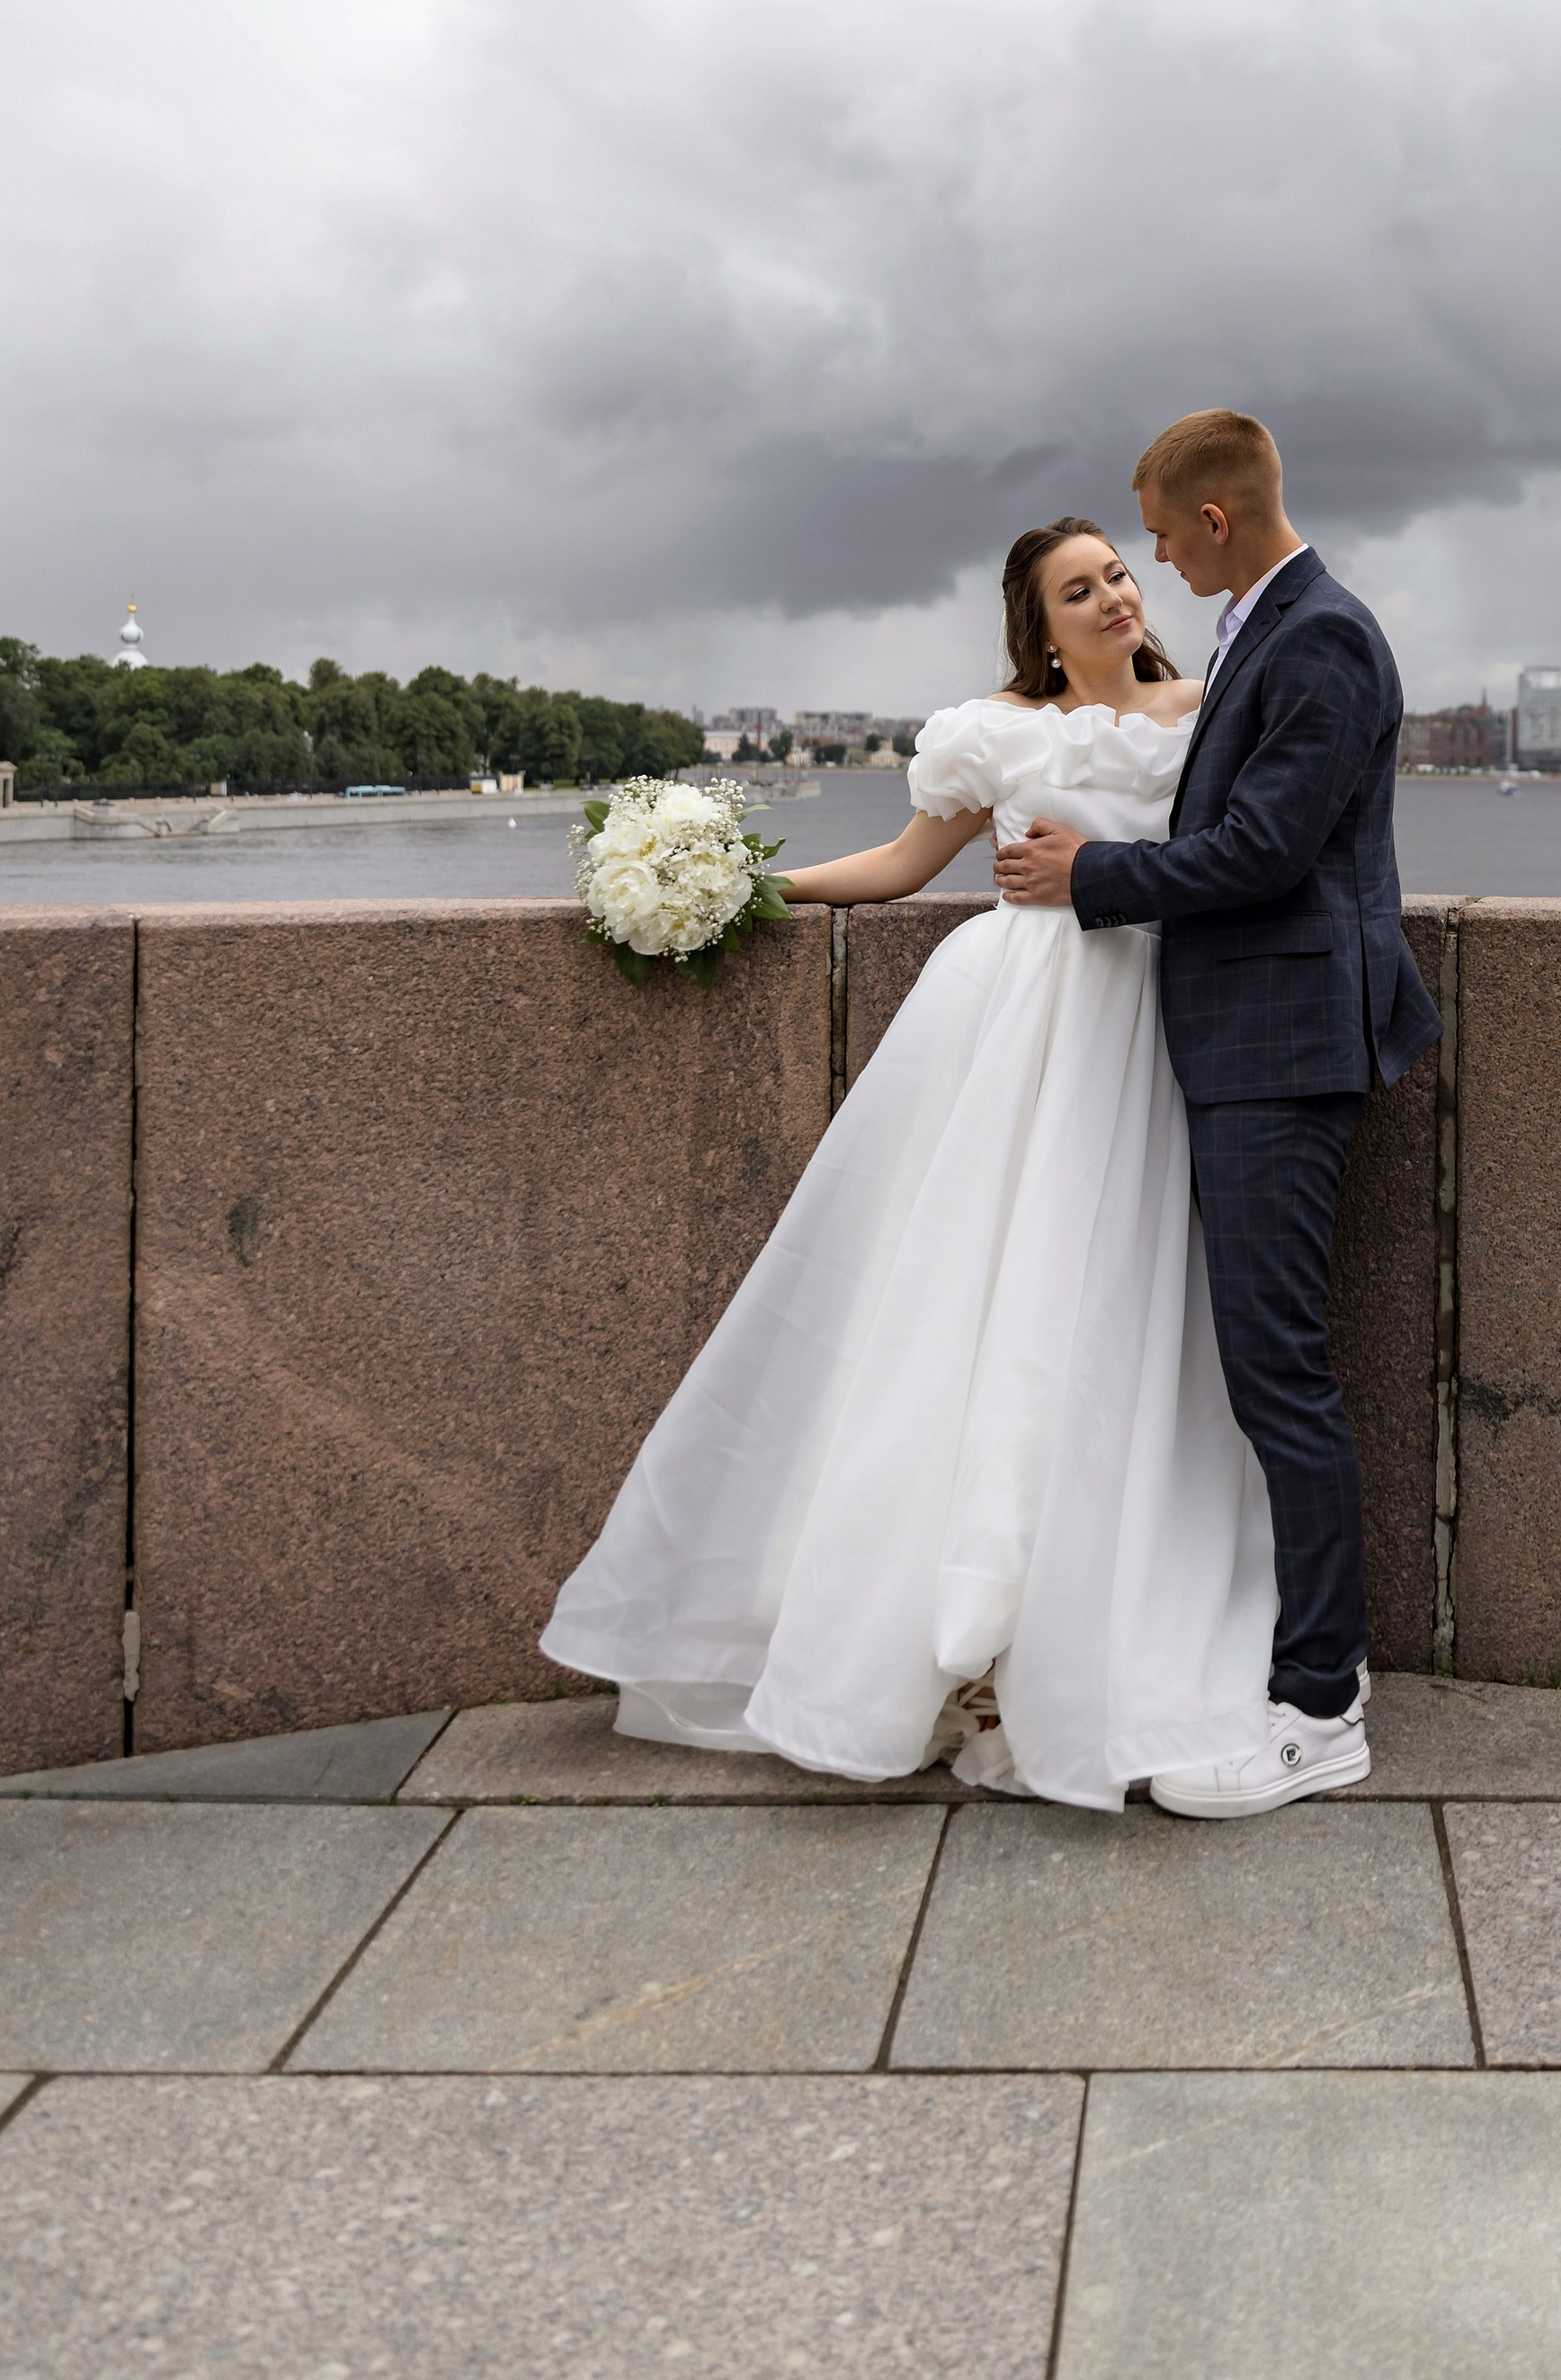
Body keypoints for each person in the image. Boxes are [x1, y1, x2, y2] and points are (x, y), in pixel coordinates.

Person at [539, 515, 1281, 1812]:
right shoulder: (993, 732)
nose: (1111, 596)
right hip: (1012, 1024)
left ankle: (1053, 1627)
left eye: (1117, 574)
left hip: (1145, 1024)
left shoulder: (1206, 708)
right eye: (1077, 589)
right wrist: (739, 889)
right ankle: (949, 1638)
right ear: (1037, 625)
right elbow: (899, 866)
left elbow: (1242, 855)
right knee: (973, 1306)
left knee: (1102, 1316)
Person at [995, 409, 1439, 1815]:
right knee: (1264, 1368)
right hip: (1251, 1040)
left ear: (1217, 524)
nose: (1153, 568)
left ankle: (1323, 1704)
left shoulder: (1323, 636)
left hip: (1284, 1047)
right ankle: (1289, 1668)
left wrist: (1095, 877)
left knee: (1277, 1373)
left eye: (1165, 538)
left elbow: (1262, 850)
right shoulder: (1275, 626)